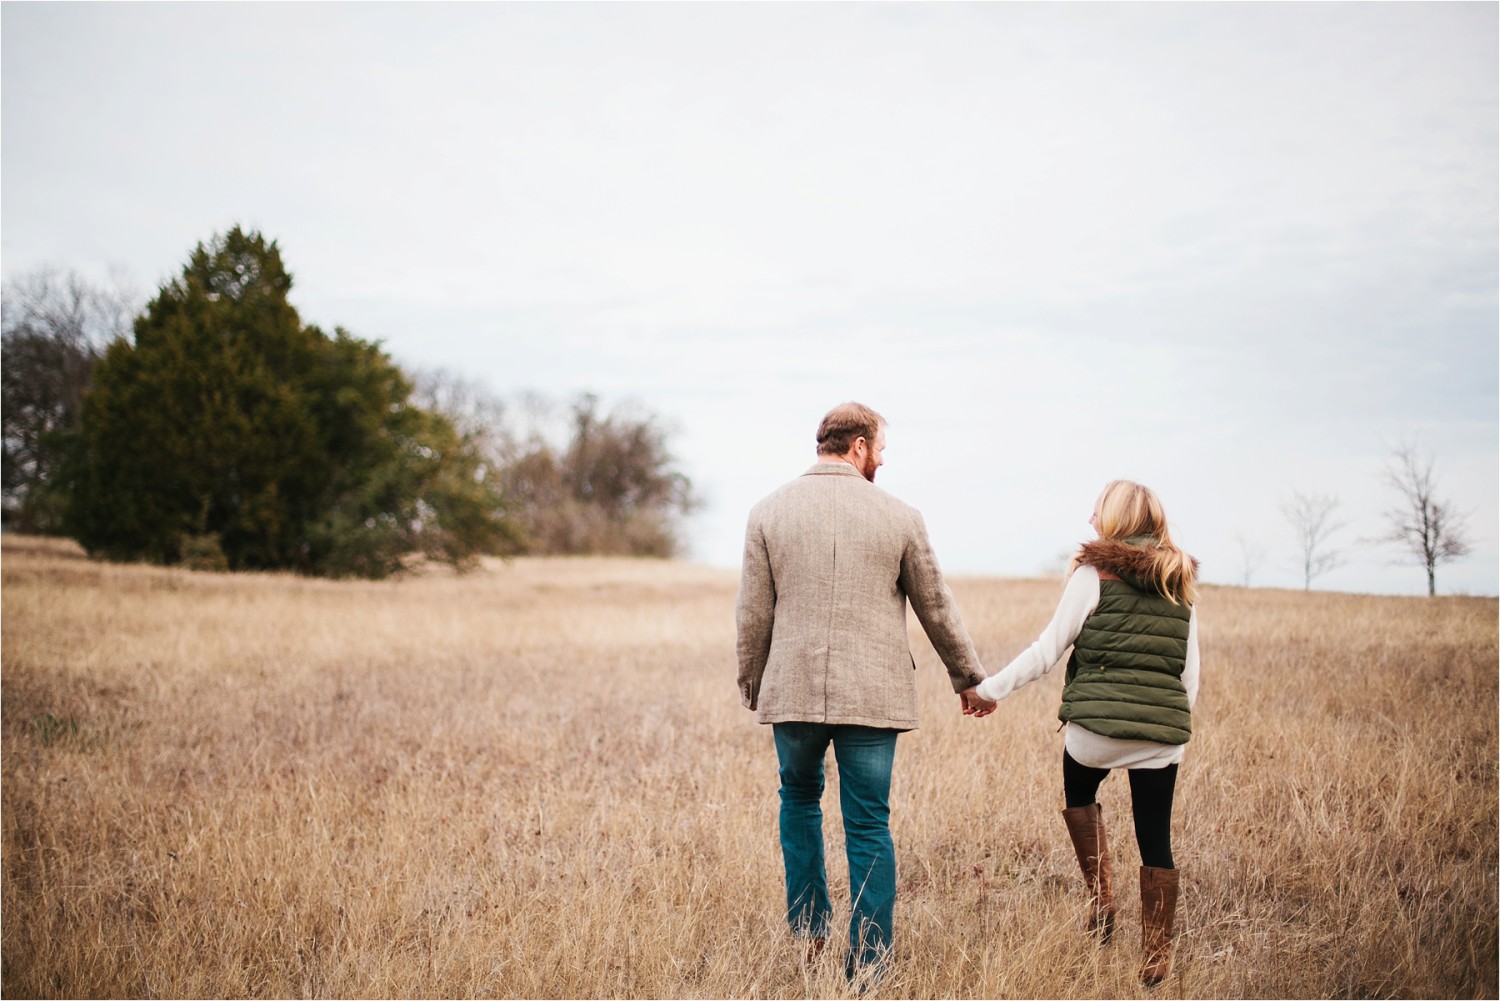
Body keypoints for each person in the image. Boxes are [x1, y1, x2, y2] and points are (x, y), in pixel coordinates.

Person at [735, 401, 995, 983]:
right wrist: (968, 678)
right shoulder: (899, 515)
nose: (882, 460)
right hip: (873, 696)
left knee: (798, 801)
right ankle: (872, 960)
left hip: (794, 690)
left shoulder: (767, 512)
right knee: (869, 823)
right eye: (880, 449)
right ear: (857, 447)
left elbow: (753, 612)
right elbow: (936, 606)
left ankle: (808, 933)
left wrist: (753, 679)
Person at [974, 479, 1200, 988]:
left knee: (1080, 792)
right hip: (1161, 738)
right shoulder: (1179, 580)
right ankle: (1156, 954)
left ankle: (1101, 898)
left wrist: (990, 689)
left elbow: (1046, 652)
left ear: (1117, 519)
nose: (1090, 518)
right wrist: (1167, 730)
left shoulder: (1092, 574)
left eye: (1097, 510)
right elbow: (1189, 677)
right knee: (1155, 840)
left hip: (1094, 734)